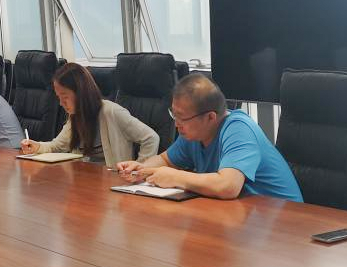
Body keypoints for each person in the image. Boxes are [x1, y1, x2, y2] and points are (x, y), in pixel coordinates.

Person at [115, 73, 303, 202]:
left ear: (210, 117)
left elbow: (228, 186)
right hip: (245, 218)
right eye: (174, 115)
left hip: (285, 222)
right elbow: (166, 160)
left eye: (182, 118)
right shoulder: (193, 133)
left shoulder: (239, 129)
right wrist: (141, 168)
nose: (176, 124)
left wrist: (175, 177)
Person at [20, 62, 159, 167]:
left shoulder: (111, 112)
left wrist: (139, 169)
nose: (61, 103)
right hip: (84, 180)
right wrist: (37, 146)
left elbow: (151, 138)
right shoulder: (75, 116)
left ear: (80, 93)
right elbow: (57, 146)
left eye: (65, 97)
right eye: (59, 98)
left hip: (111, 182)